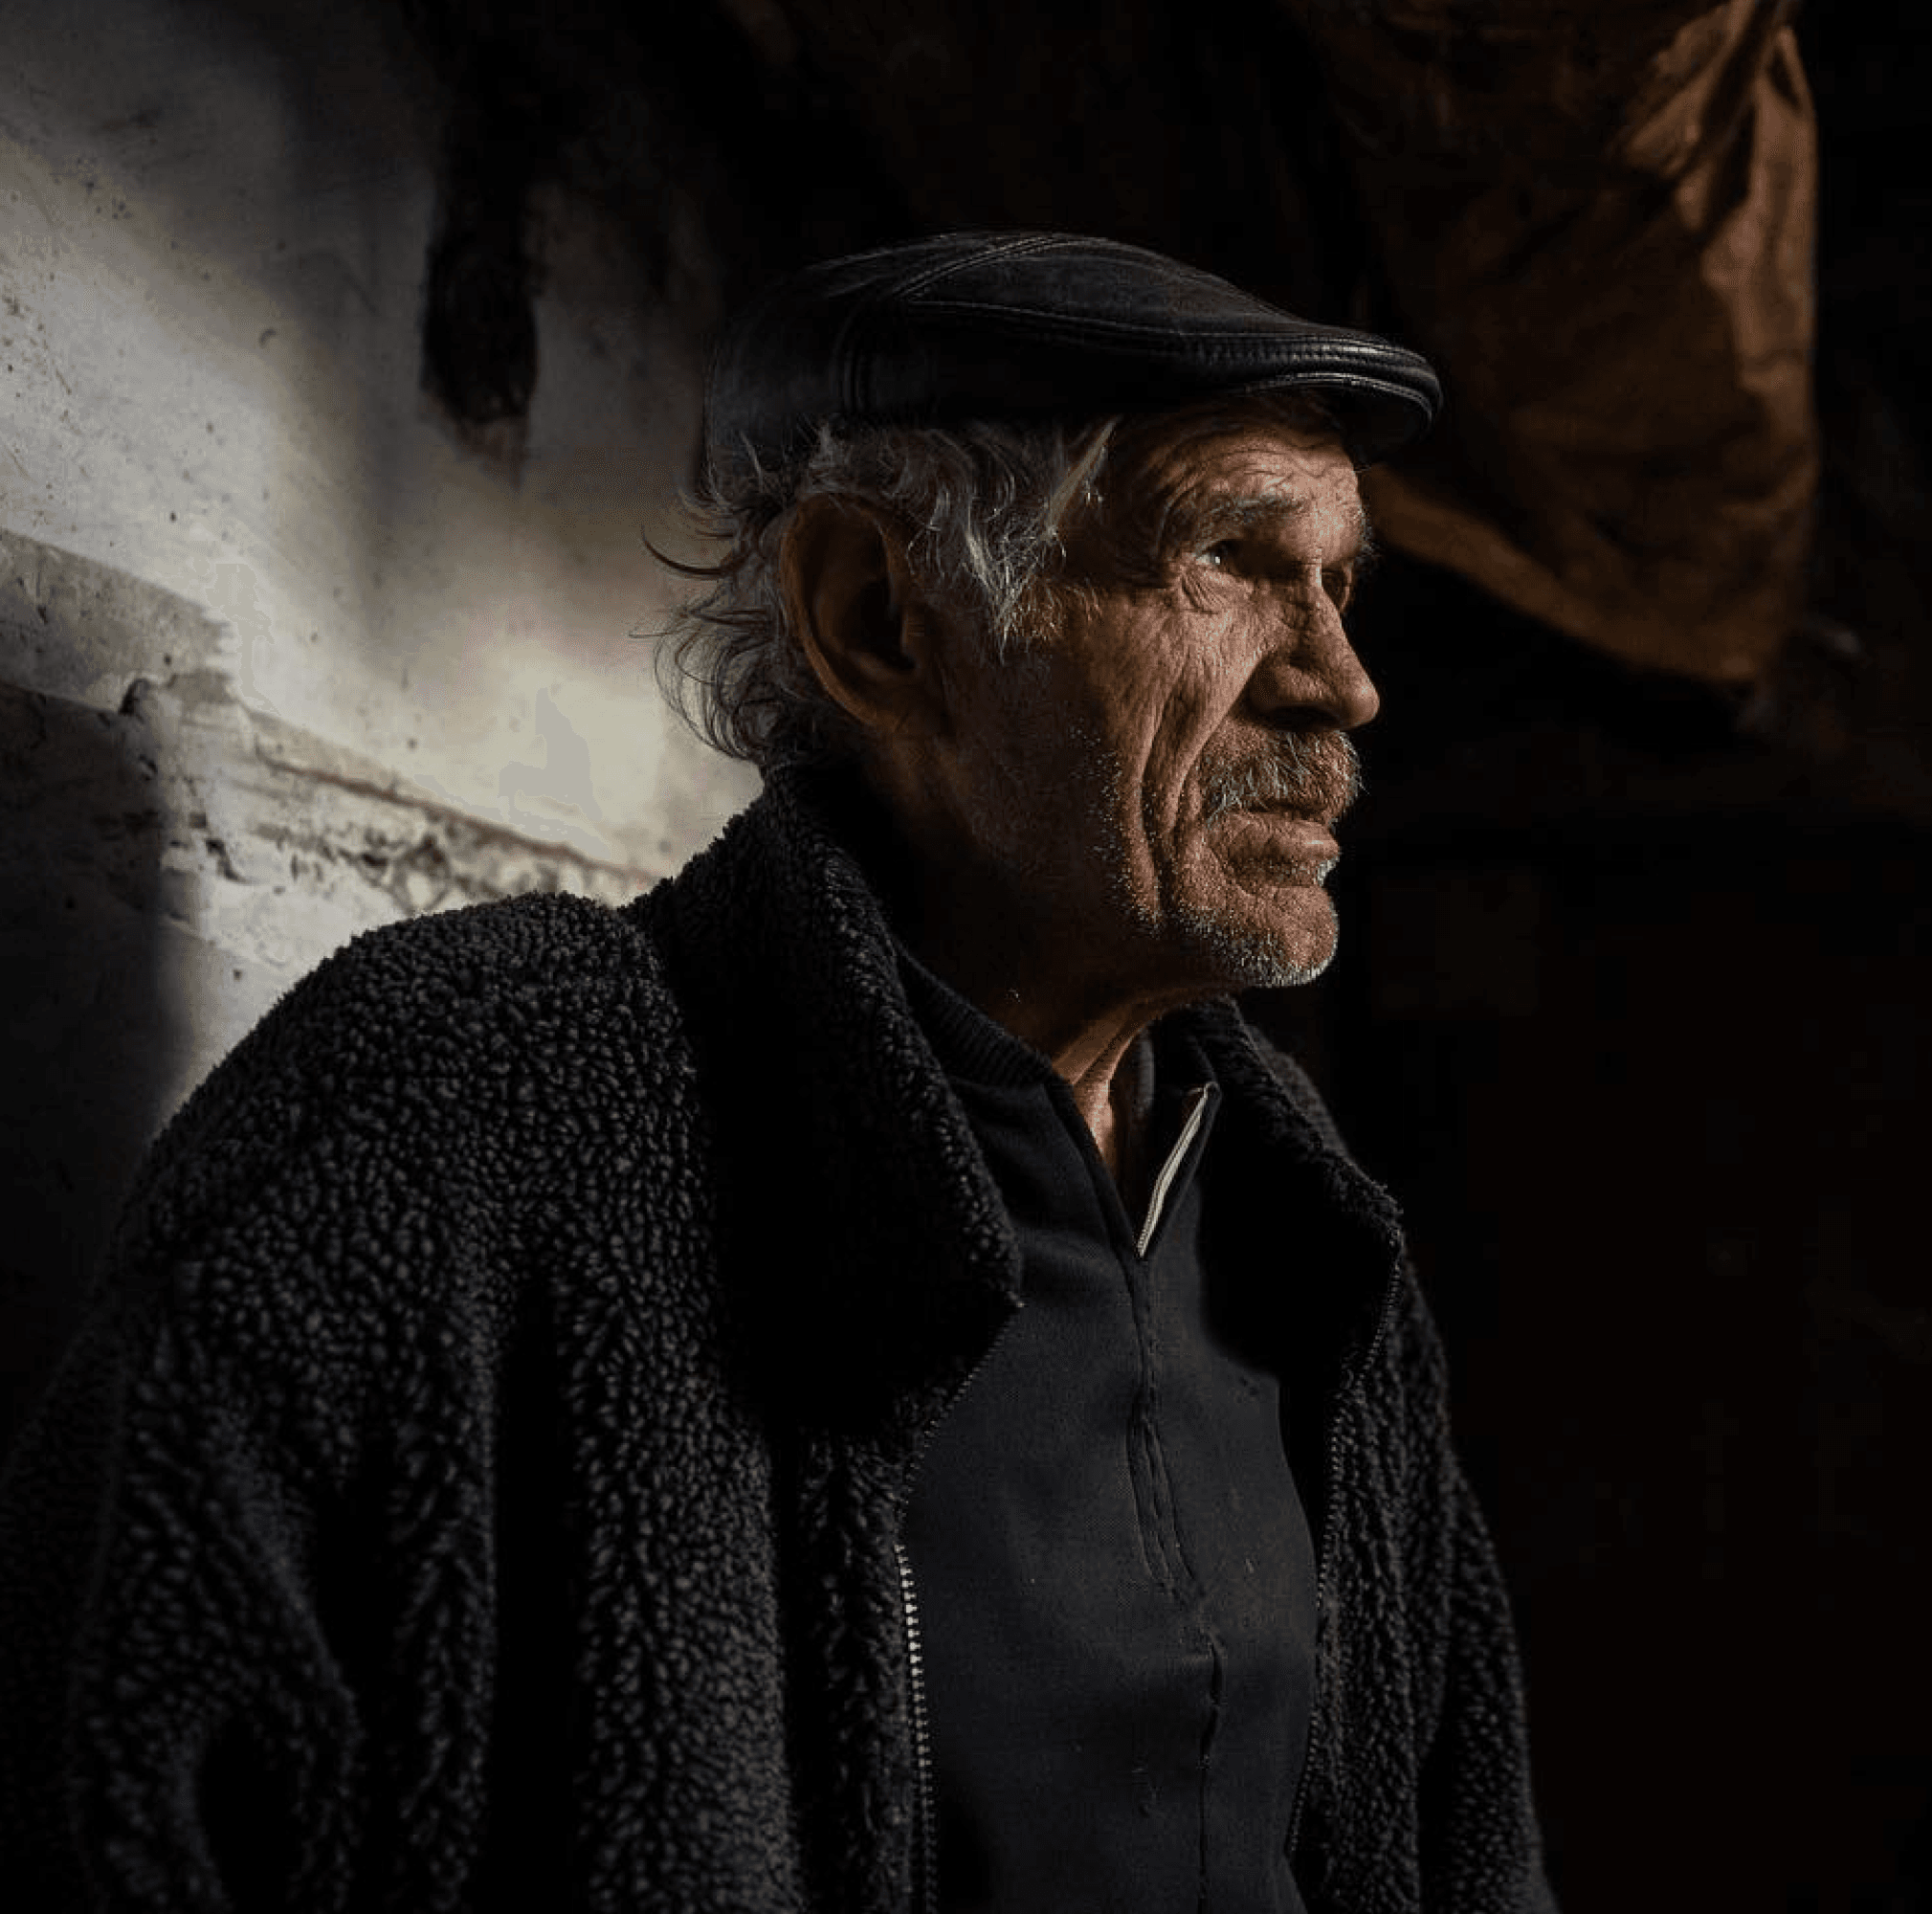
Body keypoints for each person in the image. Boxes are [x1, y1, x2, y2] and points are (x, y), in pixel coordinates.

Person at [0, 232, 1557, 1913]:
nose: (1343, 683)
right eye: (1234, 557)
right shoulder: (462, 1112)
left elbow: (1463, 1846)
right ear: (878, 617)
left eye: (1341, 584)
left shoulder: (1304, 1220)